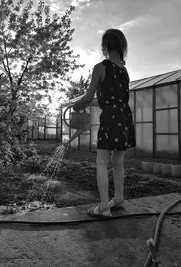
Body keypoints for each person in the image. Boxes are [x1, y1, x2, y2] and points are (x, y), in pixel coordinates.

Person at [72, 29, 136, 218]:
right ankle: (118, 199)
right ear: (122, 46)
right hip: (124, 117)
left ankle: (104, 207)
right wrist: (88, 103)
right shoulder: (124, 71)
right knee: (118, 162)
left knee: (101, 162)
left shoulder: (101, 67)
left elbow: (89, 96)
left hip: (110, 118)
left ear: (105, 46)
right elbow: (110, 98)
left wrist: (77, 104)